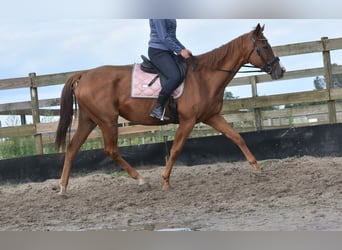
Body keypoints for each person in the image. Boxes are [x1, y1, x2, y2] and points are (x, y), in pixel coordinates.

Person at [148, 19, 192, 121]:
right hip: (157, 51)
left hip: (168, 51)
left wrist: (183, 49)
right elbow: (163, 37)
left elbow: (173, 37)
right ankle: (158, 107)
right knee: (175, 76)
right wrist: (179, 50)